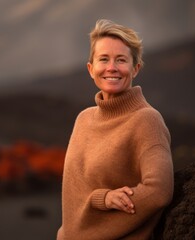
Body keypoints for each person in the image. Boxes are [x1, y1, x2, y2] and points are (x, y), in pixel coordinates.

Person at [57, 19, 174, 240]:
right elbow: (73, 193)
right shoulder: (83, 119)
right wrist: (102, 198)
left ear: (135, 68)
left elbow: (159, 191)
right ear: (91, 69)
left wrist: (105, 211)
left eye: (121, 60)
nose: (112, 68)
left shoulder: (147, 121)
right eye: (104, 59)